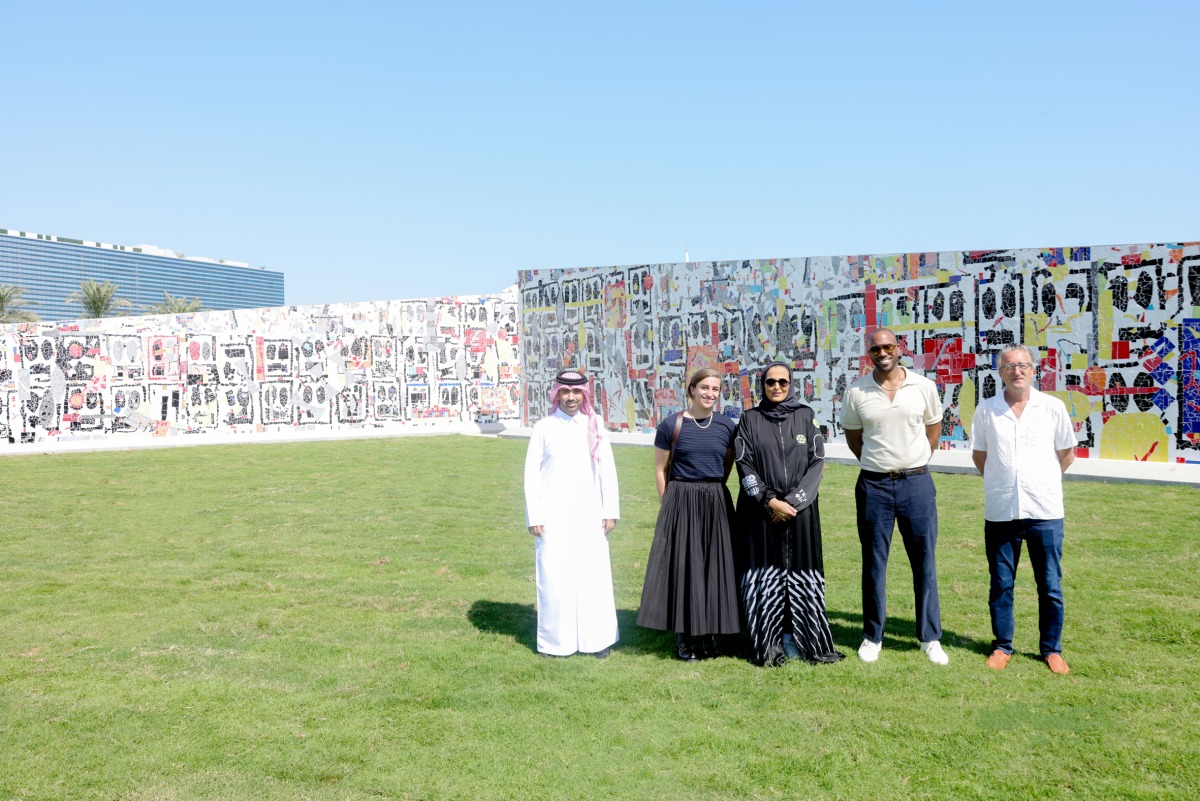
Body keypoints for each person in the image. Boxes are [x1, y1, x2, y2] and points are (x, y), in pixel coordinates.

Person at [841, 328, 948, 665]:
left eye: (888, 346)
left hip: (916, 483)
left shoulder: (923, 387)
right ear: (868, 353)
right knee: (874, 562)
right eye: (876, 348)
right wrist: (880, 463)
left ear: (899, 348)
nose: (882, 352)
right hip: (874, 486)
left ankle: (929, 637)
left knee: (924, 560)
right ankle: (872, 636)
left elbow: (933, 431)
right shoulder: (857, 391)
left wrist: (912, 461)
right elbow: (854, 438)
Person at [970, 345, 1076, 674]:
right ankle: (1002, 646)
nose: (1017, 371)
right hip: (1002, 511)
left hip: (1045, 510)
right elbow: (980, 456)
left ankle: (1051, 649)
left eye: (1023, 366)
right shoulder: (986, 411)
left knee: (1050, 585)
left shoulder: (1052, 408)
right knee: (1001, 583)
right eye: (1010, 367)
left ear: (1033, 371)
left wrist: (1040, 481)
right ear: (1000, 373)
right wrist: (1004, 482)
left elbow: (1067, 453)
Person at [733, 361, 844, 667]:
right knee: (766, 575)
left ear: (791, 383)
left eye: (783, 381)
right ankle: (767, 639)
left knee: (799, 573)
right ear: (762, 386)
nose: (777, 387)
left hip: (801, 512)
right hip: (762, 513)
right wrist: (770, 501)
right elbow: (745, 465)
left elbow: (817, 463)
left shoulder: (806, 416)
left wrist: (793, 502)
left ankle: (798, 636)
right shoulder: (749, 419)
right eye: (771, 382)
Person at [637, 367, 739, 661]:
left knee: (714, 566)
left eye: (715, 389)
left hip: (715, 499)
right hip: (680, 499)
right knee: (685, 566)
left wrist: (713, 488)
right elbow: (659, 469)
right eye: (704, 387)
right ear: (692, 389)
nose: (710, 394)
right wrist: (666, 503)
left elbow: (726, 465)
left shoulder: (726, 426)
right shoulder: (671, 425)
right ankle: (684, 635)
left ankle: (709, 633)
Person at [523, 370, 620, 658]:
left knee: (593, 576)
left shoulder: (596, 425)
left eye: (577, 392)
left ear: (584, 395)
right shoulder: (544, 427)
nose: (571, 398)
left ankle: (597, 641)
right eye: (565, 392)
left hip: (590, 513)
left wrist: (610, 510)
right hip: (552, 516)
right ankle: (556, 643)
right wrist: (535, 516)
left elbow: (607, 469)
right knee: (554, 577)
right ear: (557, 394)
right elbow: (531, 474)